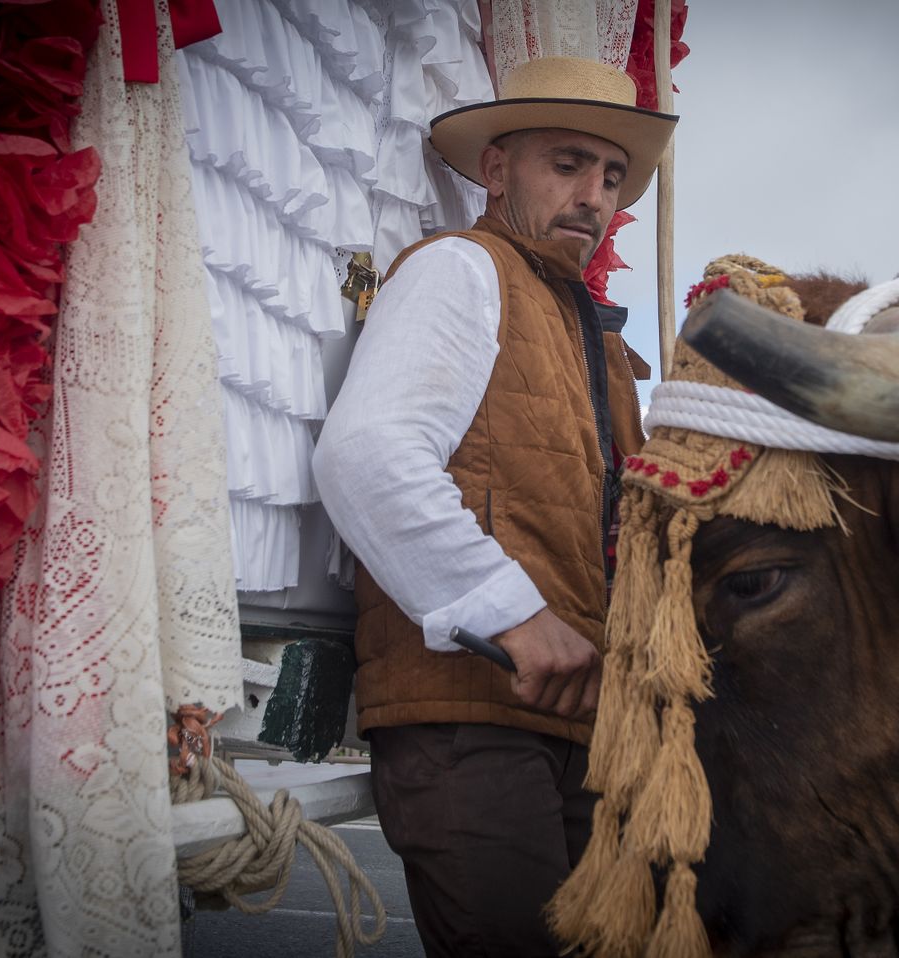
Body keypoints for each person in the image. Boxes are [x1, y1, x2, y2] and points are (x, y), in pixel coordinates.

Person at [312, 56, 677, 957]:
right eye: (568, 163)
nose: (595, 194)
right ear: (497, 169)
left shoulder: (586, 327)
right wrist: (512, 614)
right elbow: (367, 454)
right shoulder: (460, 270)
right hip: (472, 710)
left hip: (582, 716)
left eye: (613, 175)